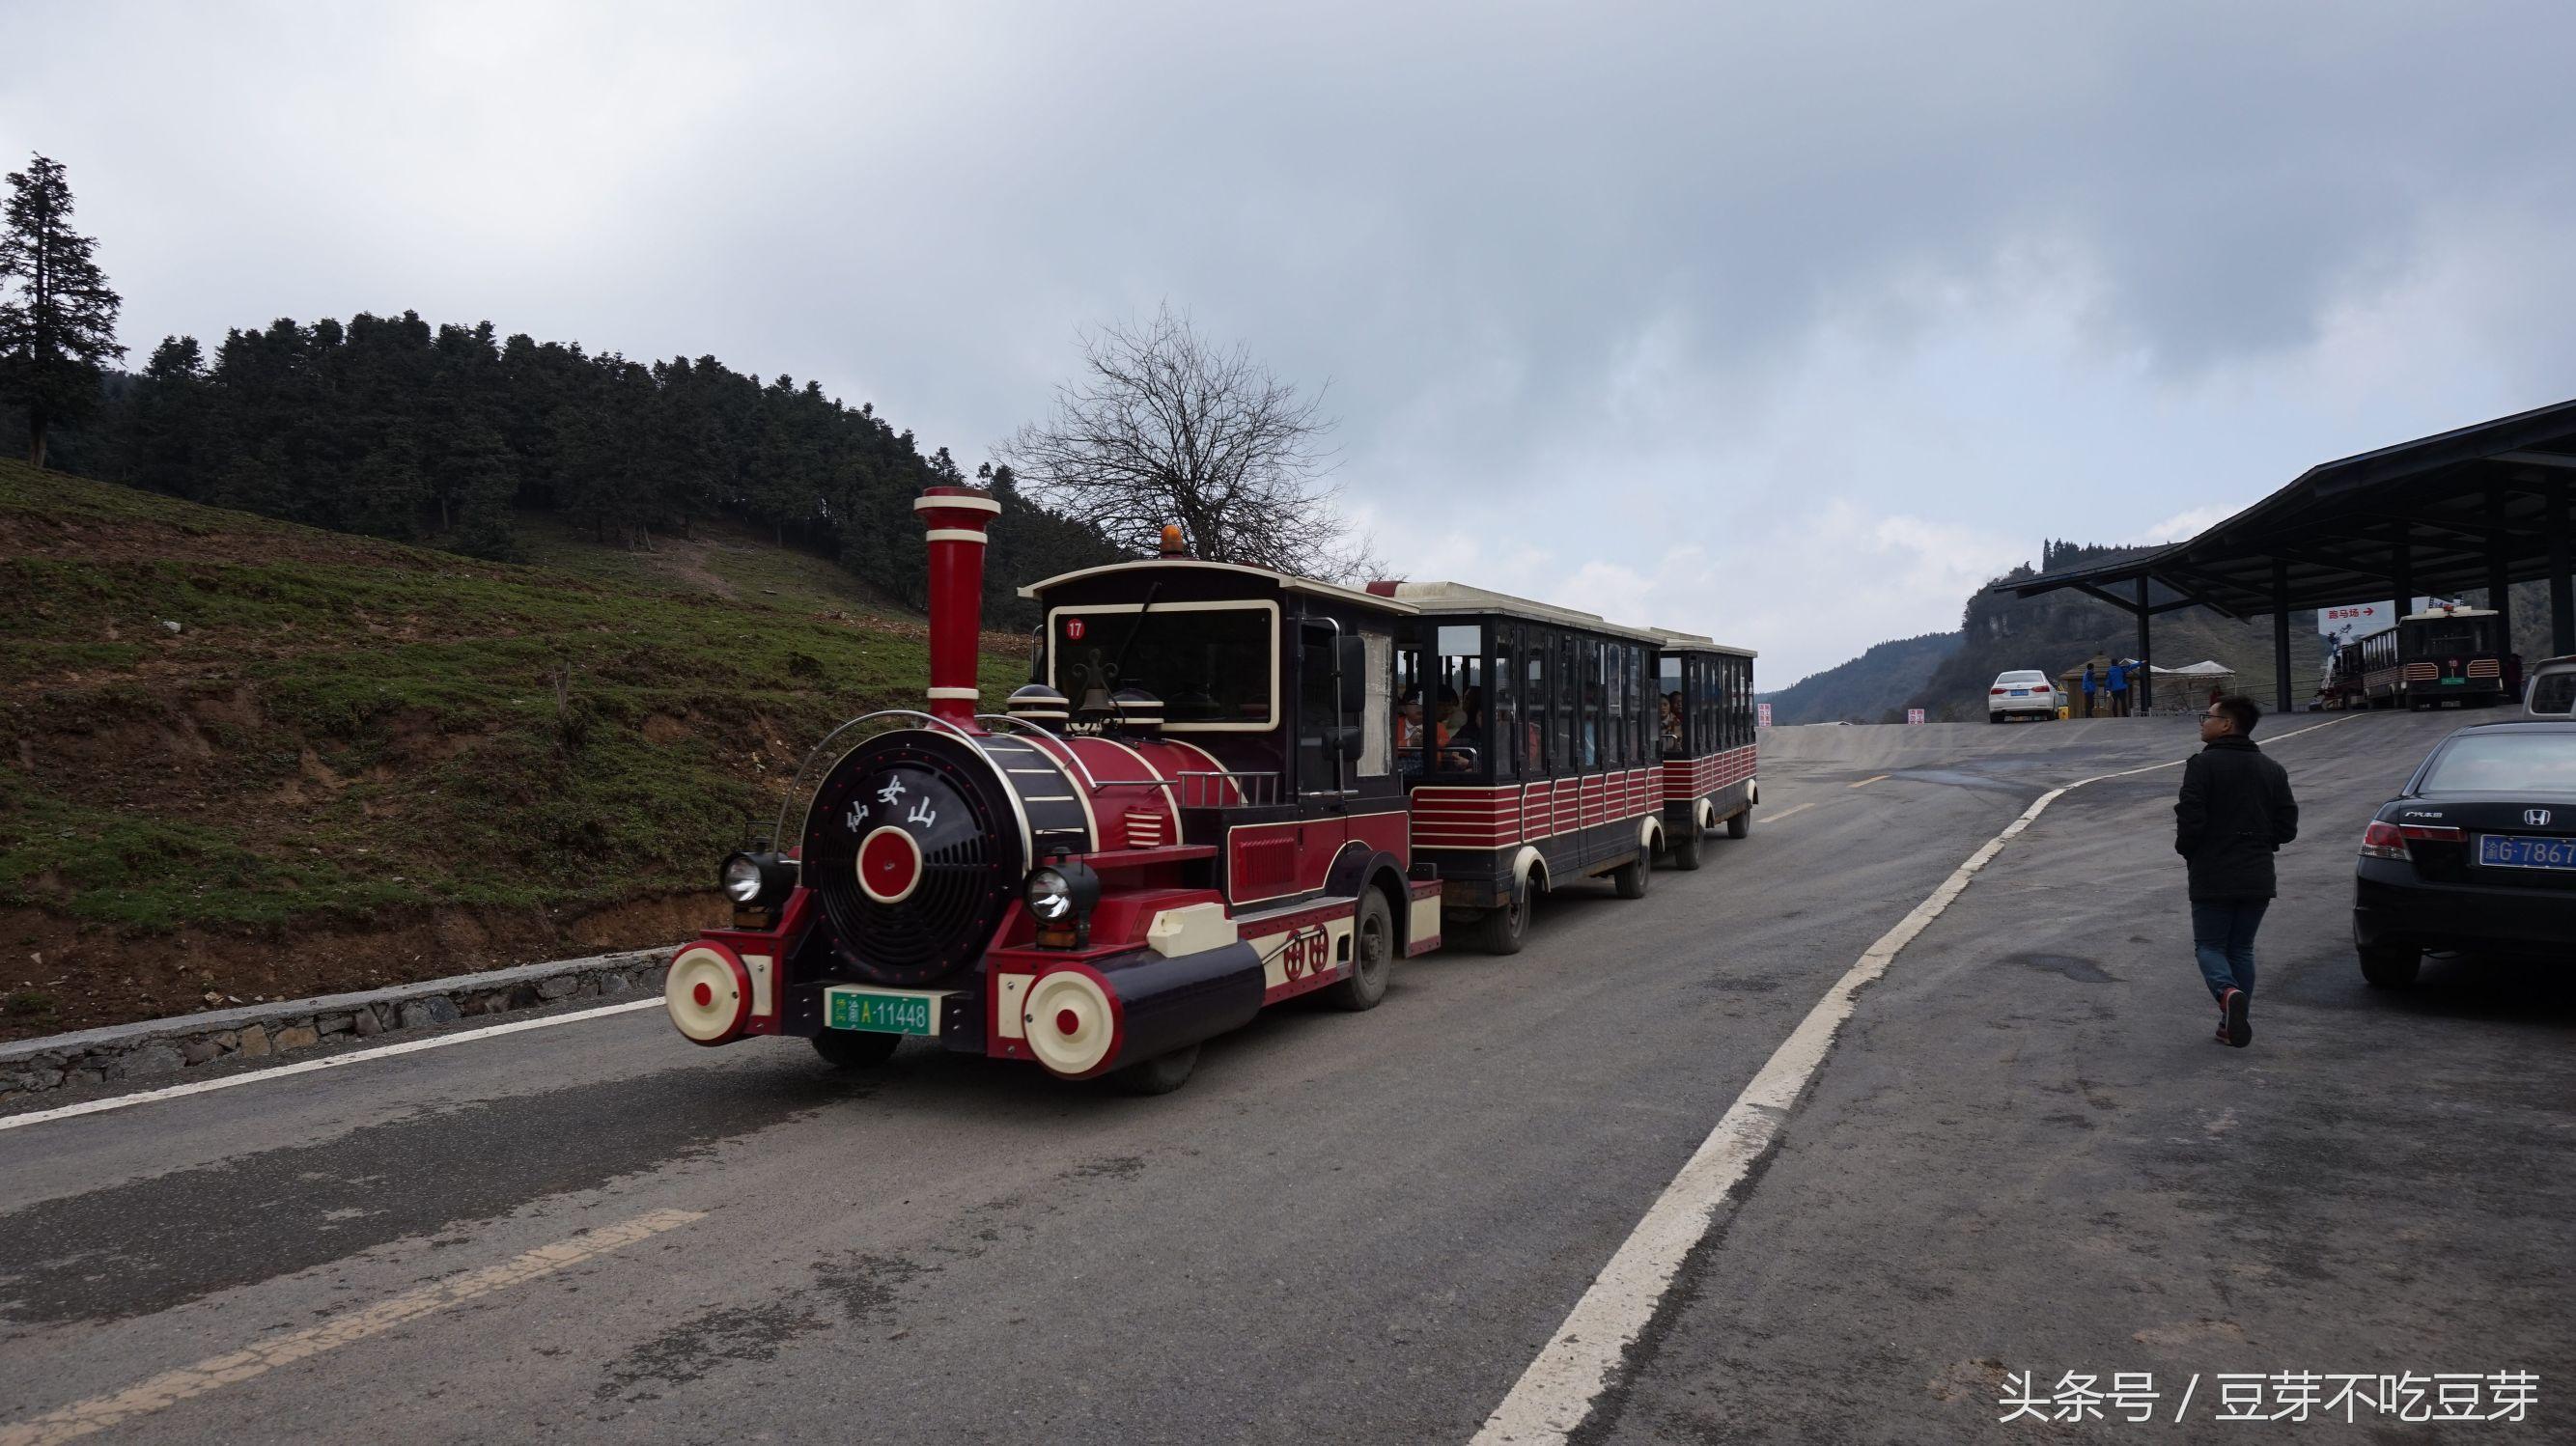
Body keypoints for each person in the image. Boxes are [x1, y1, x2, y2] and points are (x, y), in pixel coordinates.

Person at [2173, 694, 2298, 1048]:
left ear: (2227, 724)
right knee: (2241, 948)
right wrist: (2260, 842)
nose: (2202, 722)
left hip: (2213, 869)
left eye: (2207, 716)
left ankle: (2227, 993)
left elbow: (2190, 818)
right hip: (2258, 872)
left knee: (2209, 946)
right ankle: (2231, 1023)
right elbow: (2287, 827)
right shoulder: (2273, 769)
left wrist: (2189, 851)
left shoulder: (2202, 765)